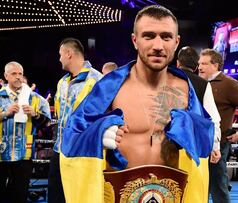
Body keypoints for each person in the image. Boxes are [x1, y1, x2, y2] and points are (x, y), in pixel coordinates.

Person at [58, 5, 214, 203]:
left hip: (173, 195)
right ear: (135, 40)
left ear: (176, 42)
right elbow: (73, 136)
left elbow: (204, 146)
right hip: (118, 194)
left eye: (166, 37)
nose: (158, 45)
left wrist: (192, 127)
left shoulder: (188, 90)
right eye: (149, 36)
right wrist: (97, 134)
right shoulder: (110, 88)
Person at [48, 38, 102, 203]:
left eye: (60, 54)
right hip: (59, 151)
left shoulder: (97, 80)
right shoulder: (62, 82)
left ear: (68, 53)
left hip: (82, 154)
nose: (59, 59)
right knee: (55, 197)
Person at [198, 48, 238, 203]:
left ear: (215, 65)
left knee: (218, 183)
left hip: (220, 141)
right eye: (199, 63)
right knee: (200, 183)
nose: (200, 67)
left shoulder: (229, 84)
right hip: (199, 141)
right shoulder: (199, 82)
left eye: (204, 63)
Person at [0, 61, 51, 203]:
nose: (18, 77)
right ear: (6, 76)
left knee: (19, 196)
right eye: (13, 74)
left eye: (20, 74)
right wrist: (5, 113)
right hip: (1, 155)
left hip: (24, 155)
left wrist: (36, 114)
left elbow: (47, 124)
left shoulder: (35, 99)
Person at [177, 46, 221, 201]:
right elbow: (213, 119)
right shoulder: (203, 84)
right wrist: (215, 146)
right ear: (196, 66)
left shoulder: (166, 79)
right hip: (194, 148)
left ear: (177, 63)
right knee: (193, 193)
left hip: (167, 146)